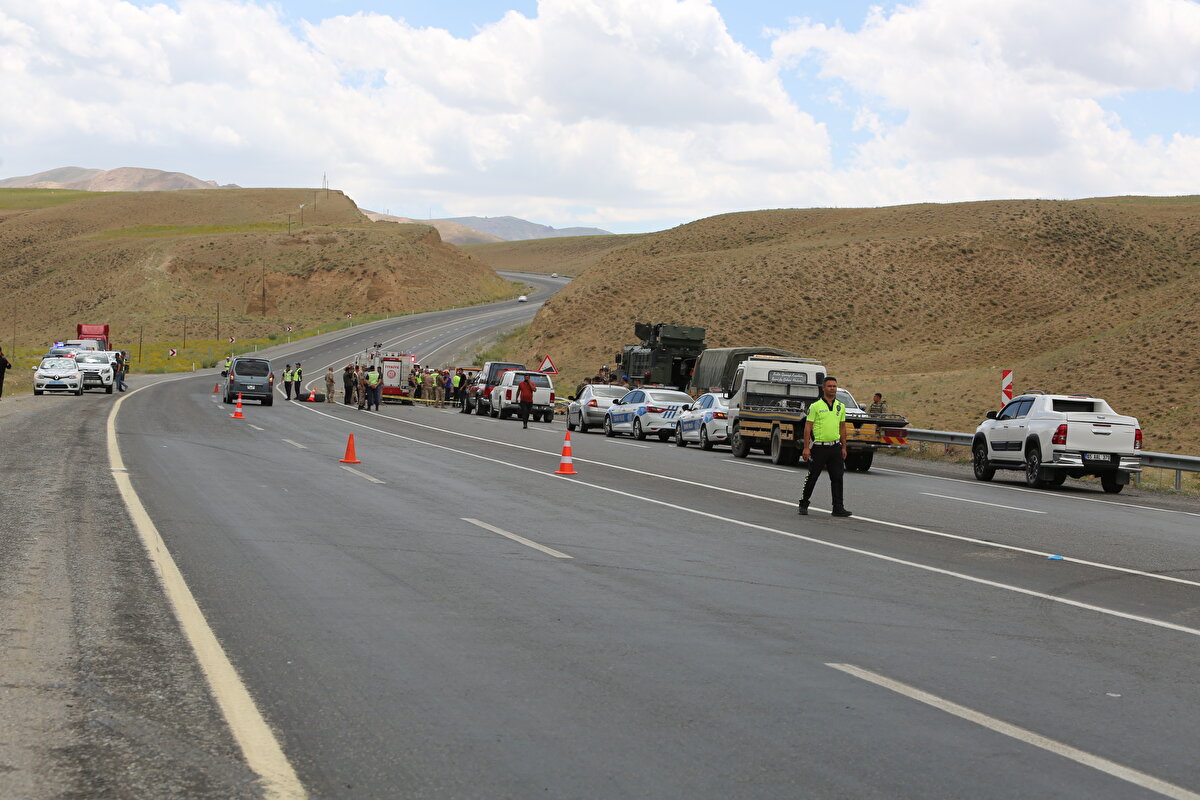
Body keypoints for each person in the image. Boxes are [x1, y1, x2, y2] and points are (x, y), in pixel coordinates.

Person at [798, 376, 852, 518]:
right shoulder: (815, 406)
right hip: (819, 448)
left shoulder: (840, 406)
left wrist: (844, 447)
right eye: (829, 386)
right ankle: (804, 503)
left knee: (837, 478)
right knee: (812, 476)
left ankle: (838, 507)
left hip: (835, 447)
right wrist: (806, 448)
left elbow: (843, 428)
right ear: (823, 388)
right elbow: (807, 428)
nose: (832, 389)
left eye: (834, 386)